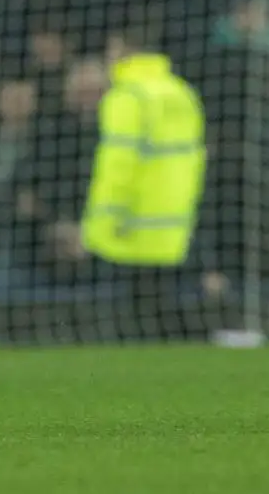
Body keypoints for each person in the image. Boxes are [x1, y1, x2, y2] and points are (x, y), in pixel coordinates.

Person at [82, 34, 206, 340]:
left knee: (129, 326)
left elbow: (118, 165)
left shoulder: (128, 96)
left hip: (130, 226)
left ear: (125, 49)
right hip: (175, 226)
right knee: (165, 321)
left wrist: (105, 218)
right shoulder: (182, 92)